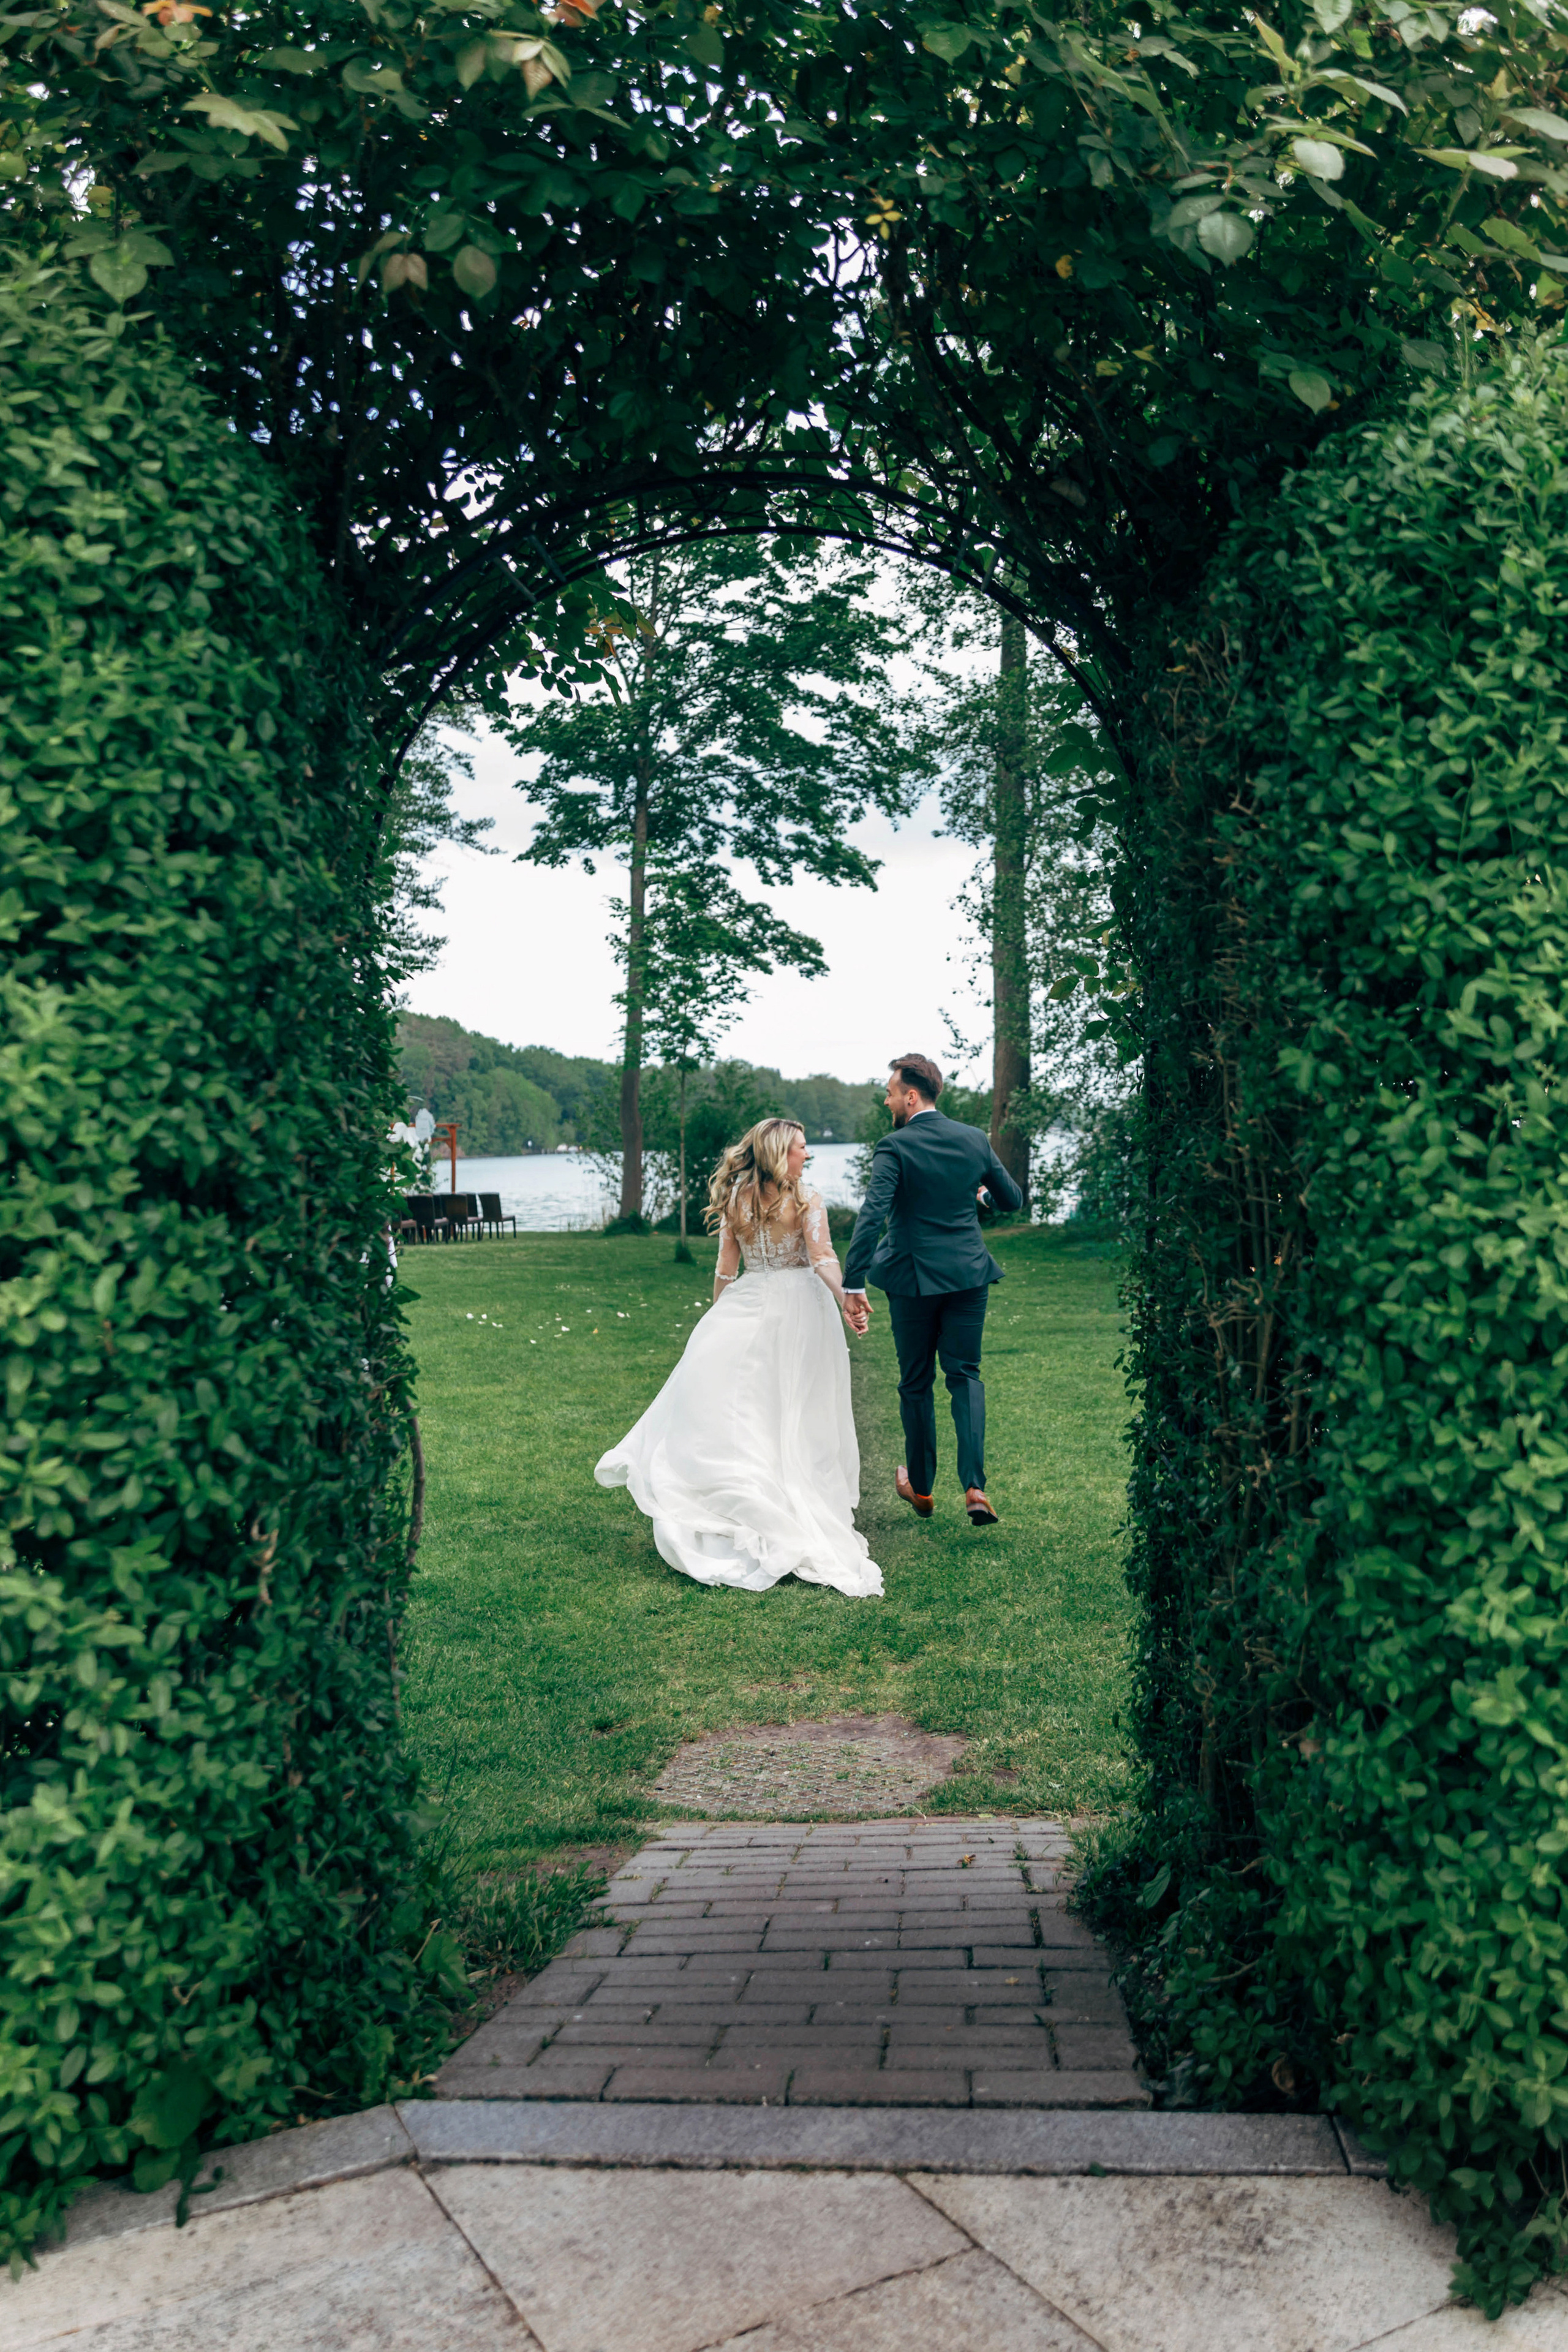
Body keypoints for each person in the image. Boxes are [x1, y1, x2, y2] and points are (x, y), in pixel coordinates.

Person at [594, 1118, 883, 1598]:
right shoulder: (806, 1199)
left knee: (756, 1407)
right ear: (778, 1153)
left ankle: (761, 1492)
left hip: (750, 1303)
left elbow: (727, 1271)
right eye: (800, 1149)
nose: (806, 1156)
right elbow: (823, 1257)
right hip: (799, 1312)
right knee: (793, 1408)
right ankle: (780, 1497)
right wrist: (843, 1296)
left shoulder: (736, 1199)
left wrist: (718, 1319)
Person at [842, 1053, 1023, 1526]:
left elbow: (873, 1212)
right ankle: (975, 1487)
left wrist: (852, 1278)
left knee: (916, 1381)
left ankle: (921, 1490)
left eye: (890, 1092)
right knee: (965, 1375)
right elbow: (1012, 1200)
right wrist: (979, 1194)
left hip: (913, 1280)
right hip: (969, 1275)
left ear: (912, 1095)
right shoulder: (973, 1140)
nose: (887, 1101)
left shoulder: (894, 1146)